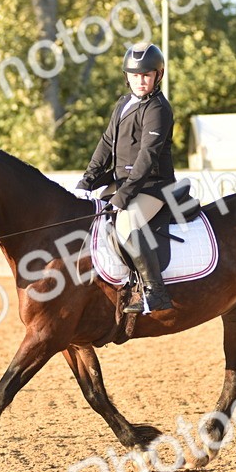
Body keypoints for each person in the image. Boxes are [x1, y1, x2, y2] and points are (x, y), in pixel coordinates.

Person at [75, 42, 176, 313]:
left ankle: (155, 292)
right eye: (135, 75)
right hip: (124, 183)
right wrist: (87, 181)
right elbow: (106, 143)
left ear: (158, 75)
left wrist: (123, 196)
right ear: (127, 76)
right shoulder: (123, 103)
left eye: (146, 75)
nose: (140, 80)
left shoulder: (158, 109)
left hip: (154, 187)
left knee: (126, 223)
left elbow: (147, 157)